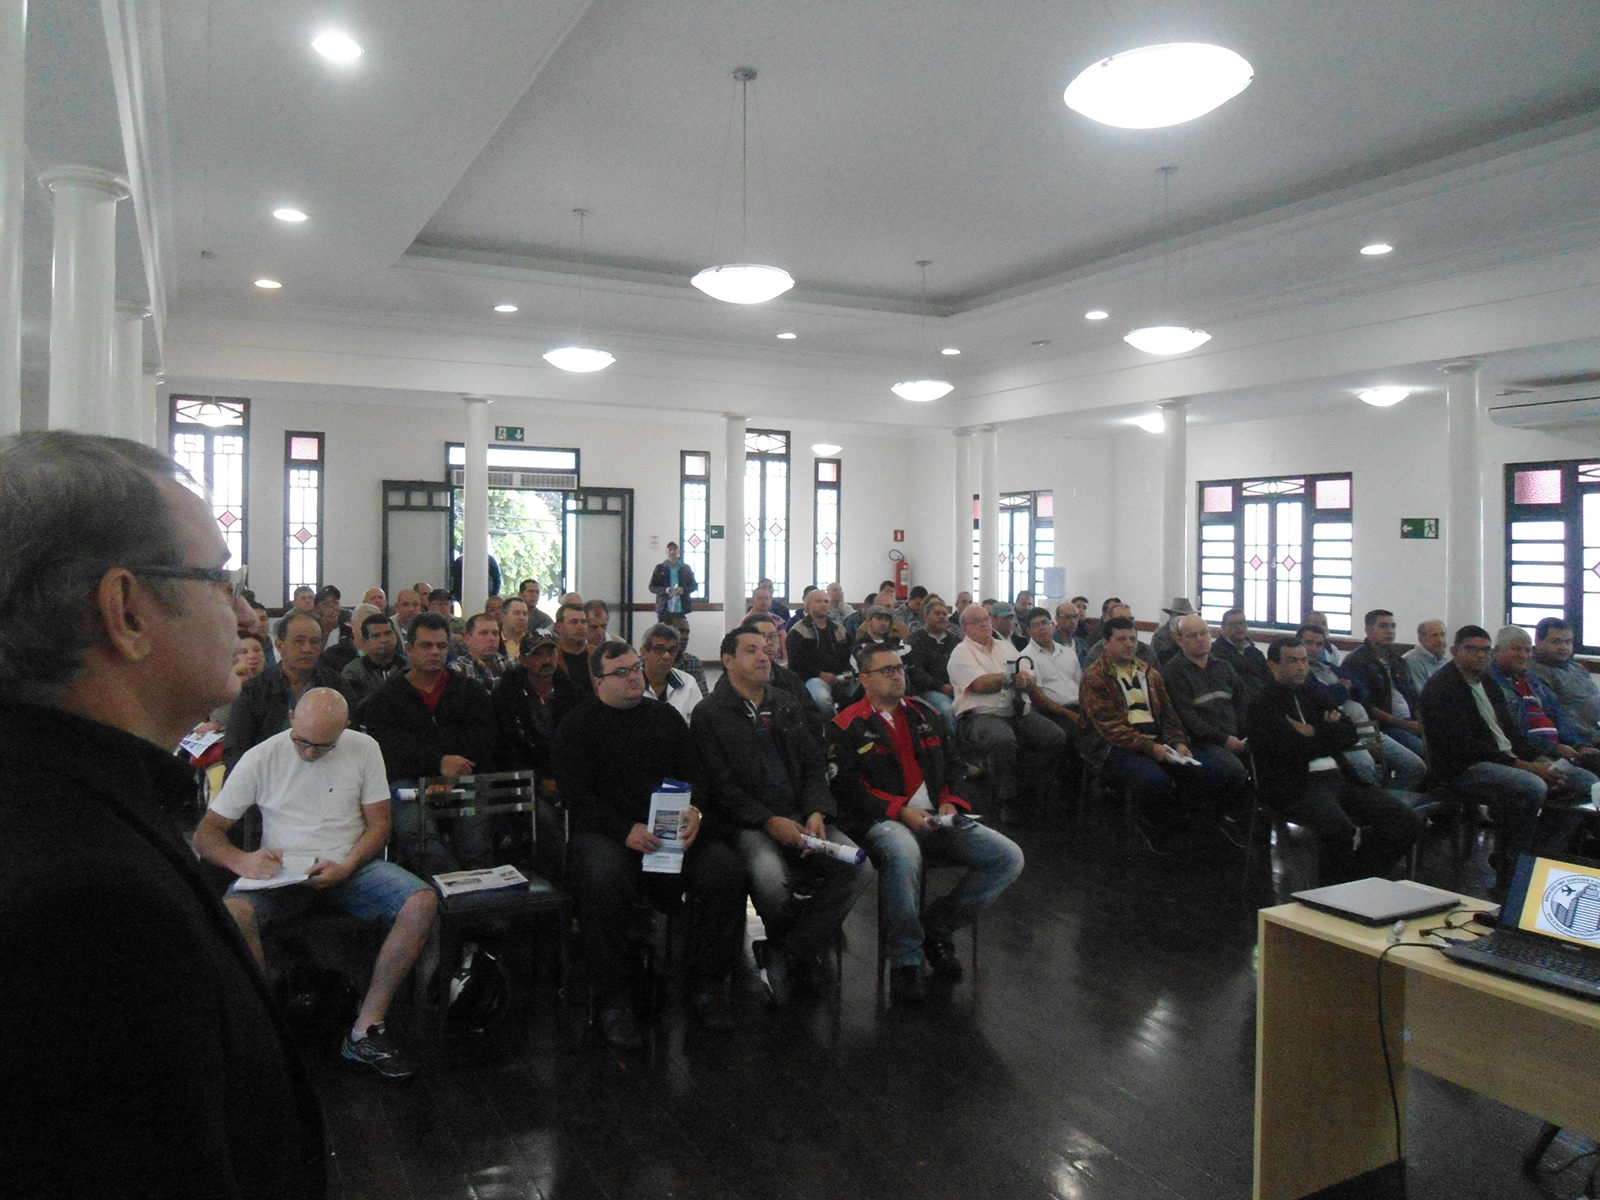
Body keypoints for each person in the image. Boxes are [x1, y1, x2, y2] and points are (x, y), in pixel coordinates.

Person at [0, 431, 325, 1196]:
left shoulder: (63, 795)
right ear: (126, 612)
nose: (247, 615)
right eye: (219, 579)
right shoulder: (87, 905)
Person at [193, 689, 437, 1082]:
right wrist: (242, 860)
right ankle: (264, 1026)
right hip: (283, 873)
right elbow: (206, 835)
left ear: (346, 729)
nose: (309, 753)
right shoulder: (262, 756)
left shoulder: (363, 748)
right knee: (233, 913)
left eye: (324, 746)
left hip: (350, 864)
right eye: (302, 741)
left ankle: (367, 1027)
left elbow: (379, 826)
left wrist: (348, 864)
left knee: (421, 902)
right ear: (291, 717)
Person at [555, 641, 747, 1045]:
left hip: (670, 829)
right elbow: (576, 796)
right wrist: (624, 830)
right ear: (597, 682)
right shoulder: (576, 725)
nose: (634, 676)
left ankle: (708, 985)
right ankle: (614, 1000)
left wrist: (695, 810)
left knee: (725, 870)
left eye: (636, 667)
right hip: (610, 833)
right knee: (601, 878)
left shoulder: (665, 717)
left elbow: (696, 772)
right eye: (621, 672)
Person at [831, 641, 1024, 1003]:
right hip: (882, 819)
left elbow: (954, 765)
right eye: (887, 670)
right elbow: (848, 789)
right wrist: (900, 810)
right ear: (865, 678)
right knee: (904, 853)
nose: (897, 676)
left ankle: (937, 927)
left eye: (900, 668)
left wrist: (951, 801)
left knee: (1007, 856)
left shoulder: (926, 713)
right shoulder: (846, 724)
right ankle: (906, 958)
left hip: (937, 815)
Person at [692, 627, 872, 1003]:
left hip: (802, 815)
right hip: (750, 823)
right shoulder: (709, 713)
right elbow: (721, 787)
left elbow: (813, 765)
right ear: (728, 662)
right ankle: (801, 948)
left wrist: (816, 811)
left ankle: (789, 949)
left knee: (859, 865)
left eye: (766, 649)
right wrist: (769, 821)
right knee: (771, 879)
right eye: (752, 650)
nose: (765, 656)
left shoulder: (786, 702)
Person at [1421, 625, 1589, 899]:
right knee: (1532, 786)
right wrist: (1527, 766)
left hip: (1505, 759)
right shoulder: (1442, 687)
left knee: (1583, 781)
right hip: (1464, 768)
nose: (1480, 656)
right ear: (1454, 651)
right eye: (1471, 649)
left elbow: (1512, 733)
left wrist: (1540, 757)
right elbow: (1468, 748)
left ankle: (1538, 855)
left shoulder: (1487, 683)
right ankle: (1511, 868)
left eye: (1485, 650)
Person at [1247, 638, 1422, 884]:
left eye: (1304, 660)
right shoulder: (1262, 704)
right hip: (1295, 785)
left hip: (1339, 777)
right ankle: (1329, 893)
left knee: (1406, 822)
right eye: (1292, 661)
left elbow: (1349, 733)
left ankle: (1357, 879)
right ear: (1273, 665)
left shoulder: (1314, 693)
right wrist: (1326, 731)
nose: (1301, 667)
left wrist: (1312, 732)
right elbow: (1287, 749)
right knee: (1339, 829)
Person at [362, 611, 496, 873]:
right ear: (409, 649)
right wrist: (436, 765)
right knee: (419, 836)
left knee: (476, 844)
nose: (435, 652)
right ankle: (450, 890)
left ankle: (477, 891)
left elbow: (483, 739)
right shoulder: (385, 698)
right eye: (426, 645)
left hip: (463, 775)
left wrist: (451, 774)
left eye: (441, 646)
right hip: (409, 782)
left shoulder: (470, 690)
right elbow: (388, 750)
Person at [1080, 616, 1203, 855]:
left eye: (1133, 639)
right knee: (1155, 780)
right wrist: (1150, 747)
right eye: (1121, 639)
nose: (1129, 644)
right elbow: (1110, 728)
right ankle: (1147, 827)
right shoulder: (1095, 676)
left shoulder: (1149, 672)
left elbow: (1168, 714)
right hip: (1109, 745)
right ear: (1106, 643)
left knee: (1193, 771)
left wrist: (1178, 742)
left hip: (1151, 739)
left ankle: (1179, 830)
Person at [947, 603, 1068, 824]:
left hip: (1016, 710)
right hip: (980, 715)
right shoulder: (961, 653)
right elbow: (980, 685)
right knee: (1002, 740)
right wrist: (1011, 676)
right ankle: (1008, 800)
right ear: (964, 628)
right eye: (977, 621)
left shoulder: (1005, 647)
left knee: (1055, 737)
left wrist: (1026, 680)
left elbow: (1029, 676)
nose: (984, 624)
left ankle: (1028, 789)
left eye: (986, 619)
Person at [1297, 624, 1426, 791]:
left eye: (1319, 644)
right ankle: (1374, 803)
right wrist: (1343, 688)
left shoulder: (1328, 667)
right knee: (1366, 769)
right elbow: (1325, 699)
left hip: (1367, 728)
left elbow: (1363, 691)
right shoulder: (1301, 674)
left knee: (1415, 766)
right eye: (1308, 643)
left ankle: (1388, 802)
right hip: (1342, 733)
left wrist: (1340, 690)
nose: (1314, 649)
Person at [1159, 613, 1252, 833]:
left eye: (1204, 633)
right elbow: (1188, 718)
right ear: (1179, 639)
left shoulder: (1223, 667)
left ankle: (1242, 817)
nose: (1200, 639)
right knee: (1233, 769)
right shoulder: (1173, 672)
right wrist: (1225, 739)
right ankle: (1216, 819)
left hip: (1232, 736)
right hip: (1198, 741)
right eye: (1193, 636)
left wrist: (1246, 732)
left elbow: (1243, 701)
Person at [226, 608, 351, 771]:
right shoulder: (254, 691)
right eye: (299, 641)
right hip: (269, 772)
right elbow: (235, 750)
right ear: (280, 646)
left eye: (314, 642)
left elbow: (349, 740)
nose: (307, 649)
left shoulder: (336, 687)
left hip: (326, 769)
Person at [1487, 626, 1600, 779]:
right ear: (1497, 650)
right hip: (1532, 753)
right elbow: (1514, 732)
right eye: (1517, 649)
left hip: (1562, 749)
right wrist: (1555, 748)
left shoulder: (1532, 680)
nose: (1523, 655)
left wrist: (1579, 746)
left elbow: (1558, 717)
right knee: (1587, 780)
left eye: (1527, 650)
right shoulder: (1491, 683)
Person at [1344, 609, 1428, 766]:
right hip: (1382, 727)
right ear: (1369, 631)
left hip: (1408, 722)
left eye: (1392, 626)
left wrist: (1420, 723)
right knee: (1424, 756)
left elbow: (1412, 696)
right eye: (1383, 626)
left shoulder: (1397, 661)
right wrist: (1406, 725)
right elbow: (1367, 708)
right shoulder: (1356, 662)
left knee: (1443, 746)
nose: (1390, 631)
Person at [1527, 617, 1600, 741]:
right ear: (1538, 641)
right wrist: (1594, 737)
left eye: (1568, 642)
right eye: (1556, 642)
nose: (1564, 647)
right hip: (1584, 738)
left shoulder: (1577, 668)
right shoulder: (1535, 672)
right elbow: (1559, 715)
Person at [788, 585, 854, 714]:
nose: (823, 605)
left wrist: (846, 675)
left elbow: (848, 655)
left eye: (826, 601)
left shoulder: (840, 629)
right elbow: (795, 664)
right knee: (822, 699)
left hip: (841, 677)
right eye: (818, 601)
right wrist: (820, 674)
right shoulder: (798, 631)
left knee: (859, 694)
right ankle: (832, 723)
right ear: (808, 605)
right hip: (812, 678)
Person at [340, 609, 407, 718]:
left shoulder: (410, 667)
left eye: (388, 633)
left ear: (395, 636)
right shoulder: (353, 672)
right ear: (365, 642)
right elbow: (356, 708)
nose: (384, 640)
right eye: (376, 636)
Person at [907, 594, 960, 729]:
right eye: (937, 614)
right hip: (930, 690)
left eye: (944, 614)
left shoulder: (955, 641)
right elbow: (916, 672)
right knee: (948, 709)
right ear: (926, 617)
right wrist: (941, 686)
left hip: (956, 688)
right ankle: (952, 742)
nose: (942, 617)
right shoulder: (916, 640)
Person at [640, 621, 702, 719]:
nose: (666, 656)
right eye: (659, 649)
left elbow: (699, 723)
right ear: (643, 651)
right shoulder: (632, 683)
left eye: (672, 650)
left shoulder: (688, 684)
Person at [1212, 608, 1273, 700]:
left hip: (1260, 700)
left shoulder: (1255, 652)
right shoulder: (1216, 652)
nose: (1239, 628)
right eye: (1233, 624)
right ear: (1223, 627)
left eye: (1242, 623)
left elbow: (1269, 678)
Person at [451, 611, 511, 690]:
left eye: (495, 633)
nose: (492, 638)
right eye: (484, 633)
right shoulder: (458, 670)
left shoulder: (509, 666)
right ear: (468, 639)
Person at [663, 611, 710, 697]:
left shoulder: (693, 663)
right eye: (680, 632)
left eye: (687, 632)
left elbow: (704, 698)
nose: (685, 637)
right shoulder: (649, 663)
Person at [553, 601, 595, 697]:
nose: (580, 627)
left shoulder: (598, 655)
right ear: (559, 627)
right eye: (574, 622)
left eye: (583, 622)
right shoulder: (551, 658)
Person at [649, 540, 698, 615]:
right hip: (664, 609)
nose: (672, 552)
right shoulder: (660, 568)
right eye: (670, 550)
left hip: (682, 609)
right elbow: (652, 587)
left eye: (674, 550)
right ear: (666, 552)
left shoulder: (686, 568)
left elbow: (694, 586)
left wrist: (683, 590)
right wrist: (665, 590)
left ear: (678, 552)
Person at [1403, 619, 1449, 694]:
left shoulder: (1445, 661)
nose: (1440, 640)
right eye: (1434, 636)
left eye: (1442, 635)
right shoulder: (1411, 661)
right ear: (1421, 640)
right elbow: (1423, 695)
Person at [1054, 600, 1089, 668]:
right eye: (1067, 617)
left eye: (1076, 616)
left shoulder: (1082, 645)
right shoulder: (1049, 644)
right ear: (1057, 619)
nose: (1073, 621)